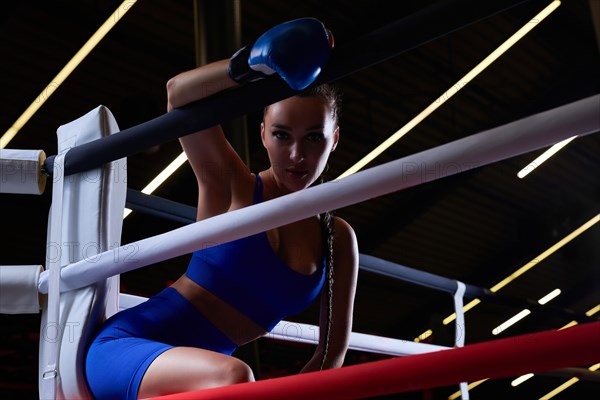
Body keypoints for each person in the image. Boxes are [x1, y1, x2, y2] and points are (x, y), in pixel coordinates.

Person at [85, 17, 359, 399]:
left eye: (314, 137)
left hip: (212, 377)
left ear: (335, 139)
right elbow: (178, 94)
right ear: (263, 134)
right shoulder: (230, 184)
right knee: (235, 379)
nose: (297, 155)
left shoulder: (338, 238)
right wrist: (251, 64)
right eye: (282, 135)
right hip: (132, 348)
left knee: (233, 382)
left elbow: (330, 355)